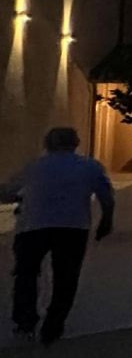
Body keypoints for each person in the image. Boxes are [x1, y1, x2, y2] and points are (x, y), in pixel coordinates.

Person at [2, 127, 115, 345]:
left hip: (32, 226)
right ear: (76, 143)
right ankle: (54, 325)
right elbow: (106, 197)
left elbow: (8, 192)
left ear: (47, 144)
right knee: (66, 277)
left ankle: (25, 321)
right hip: (73, 227)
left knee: (26, 274)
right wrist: (106, 221)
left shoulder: (34, 167)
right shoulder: (90, 167)